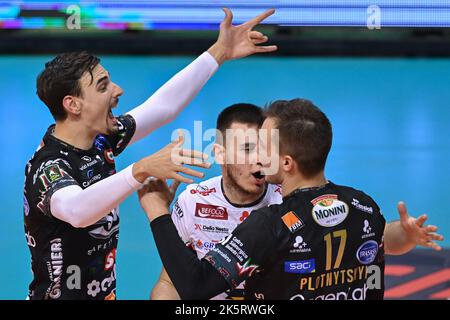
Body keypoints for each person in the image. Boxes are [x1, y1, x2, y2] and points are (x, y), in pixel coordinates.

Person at [23, 8, 278, 300]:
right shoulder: (49, 166)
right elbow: (76, 211)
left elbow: (163, 107)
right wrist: (140, 170)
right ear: (74, 105)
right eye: (103, 86)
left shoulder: (101, 140)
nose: (118, 90)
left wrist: (219, 52)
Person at [140, 99, 444, 300]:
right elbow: (377, 235)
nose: (258, 156)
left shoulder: (268, 224)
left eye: (263, 145)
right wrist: (404, 234)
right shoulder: (362, 204)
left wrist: (157, 212)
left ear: (286, 163)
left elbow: (194, 287)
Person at [151, 104, 283, 300]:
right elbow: (169, 283)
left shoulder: (284, 200)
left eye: (264, 149)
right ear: (220, 154)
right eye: (247, 149)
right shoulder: (193, 201)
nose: (259, 159)